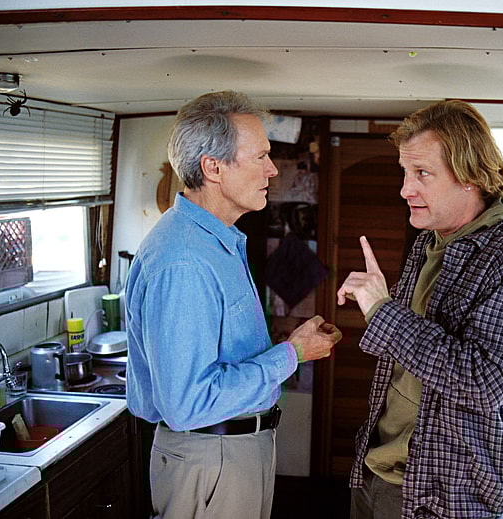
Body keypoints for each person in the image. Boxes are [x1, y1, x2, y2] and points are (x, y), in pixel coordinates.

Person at [125, 90, 342, 519]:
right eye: (260, 156)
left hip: (229, 453)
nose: (272, 169)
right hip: (211, 459)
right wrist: (293, 353)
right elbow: (188, 403)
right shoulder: (184, 261)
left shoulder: (215, 242)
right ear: (213, 168)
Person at [337, 100, 503, 519]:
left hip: (446, 497)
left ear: (470, 175)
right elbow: (408, 356)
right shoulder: (430, 240)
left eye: (422, 173)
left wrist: (382, 311)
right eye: (405, 172)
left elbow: (483, 384)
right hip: (379, 471)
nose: (405, 189)